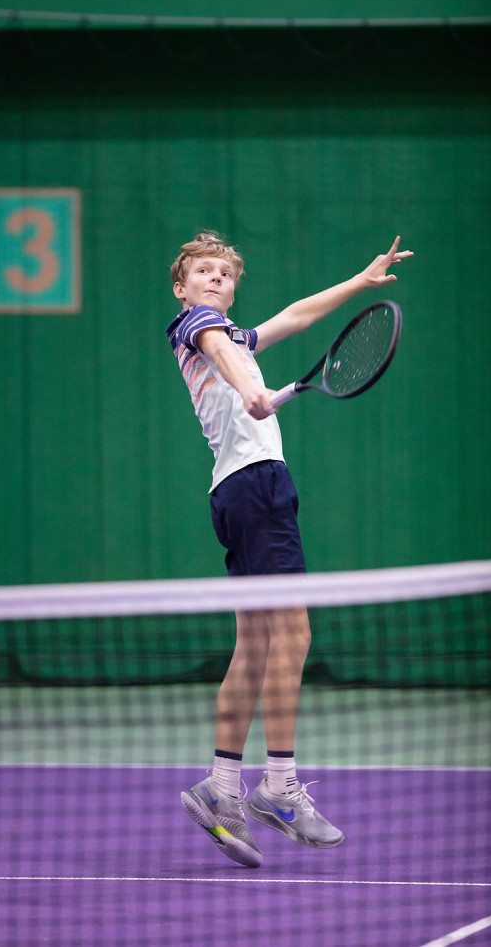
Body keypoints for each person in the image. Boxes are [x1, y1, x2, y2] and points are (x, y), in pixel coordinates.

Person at [167, 230, 413, 868]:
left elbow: (296, 316)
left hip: (235, 492)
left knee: (254, 645)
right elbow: (217, 348)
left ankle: (222, 788)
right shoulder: (197, 328)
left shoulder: (236, 337)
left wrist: (361, 281)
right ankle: (278, 786)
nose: (216, 279)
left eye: (225, 273)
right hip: (258, 488)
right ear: (182, 287)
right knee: (294, 635)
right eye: (204, 271)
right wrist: (251, 393)